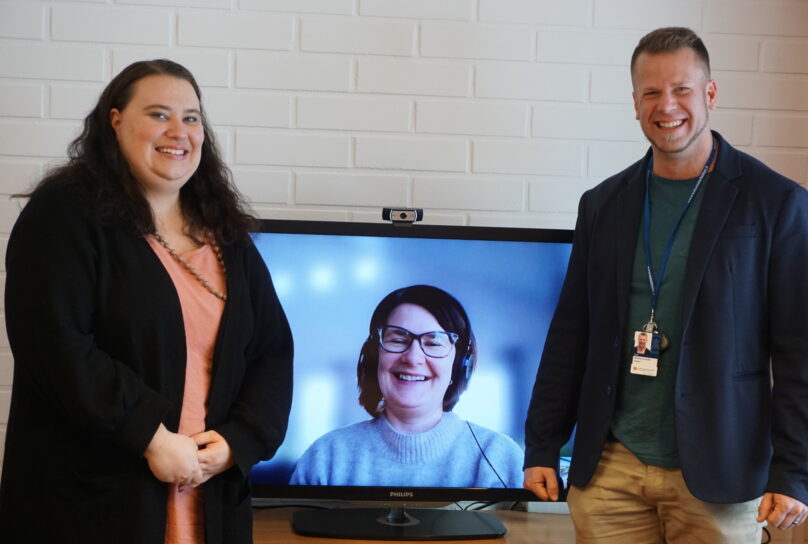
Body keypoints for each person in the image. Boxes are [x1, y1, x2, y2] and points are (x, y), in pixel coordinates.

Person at [523, 27, 808, 543]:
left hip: (721, 472)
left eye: (681, 89)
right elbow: (570, 332)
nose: (666, 105)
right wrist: (542, 444)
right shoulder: (603, 204)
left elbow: (799, 351)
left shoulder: (777, 203)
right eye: (651, 92)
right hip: (611, 469)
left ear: (710, 94)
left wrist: (795, 471)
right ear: (634, 104)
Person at [0, 59, 294, 544]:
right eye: (158, 114)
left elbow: (272, 352)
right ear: (115, 120)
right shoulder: (63, 215)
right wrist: (152, 437)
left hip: (208, 500)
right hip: (93, 504)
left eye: (192, 117)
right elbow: (57, 348)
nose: (178, 131)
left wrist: (235, 442)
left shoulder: (228, 236)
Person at [289, 284, 524, 488]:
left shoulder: (499, 457)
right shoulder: (325, 458)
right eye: (398, 339)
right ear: (374, 357)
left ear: (459, 364)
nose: (413, 358)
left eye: (434, 343)